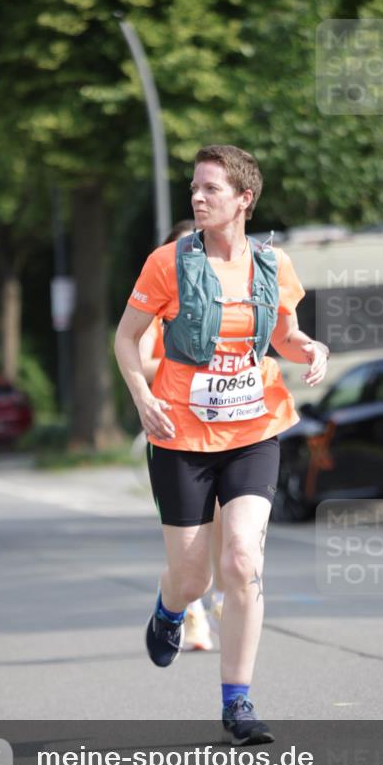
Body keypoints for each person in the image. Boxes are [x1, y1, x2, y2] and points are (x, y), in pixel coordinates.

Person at [115, 145, 329, 745]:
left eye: (211, 188)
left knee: (242, 561)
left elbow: (284, 337)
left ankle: (238, 703)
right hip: (179, 435)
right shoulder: (167, 263)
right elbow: (126, 339)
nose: (198, 197)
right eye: (194, 187)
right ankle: (170, 607)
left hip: (253, 431)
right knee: (193, 579)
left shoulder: (273, 264)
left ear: (243, 199)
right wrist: (142, 397)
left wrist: (311, 348)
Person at [138, 219, 222, 653]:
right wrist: (190, 360)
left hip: (226, 429)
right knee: (191, 546)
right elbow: (139, 360)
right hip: (175, 432)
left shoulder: (228, 296)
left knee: (229, 529)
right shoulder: (158, 307)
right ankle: (191, 615)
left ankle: (223, 598)